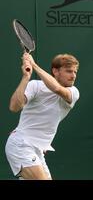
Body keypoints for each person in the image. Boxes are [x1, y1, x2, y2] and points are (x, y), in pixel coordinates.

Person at [5, 52, 80, 180]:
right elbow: (14, 107)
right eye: (68, 71)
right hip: (21, 145)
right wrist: (25, 78)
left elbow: (56, 88)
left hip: (38, 151)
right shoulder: (35, 86)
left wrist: (34, 65)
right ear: (55, 71)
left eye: (75, 72)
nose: (73, 76)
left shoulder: (73, 92)